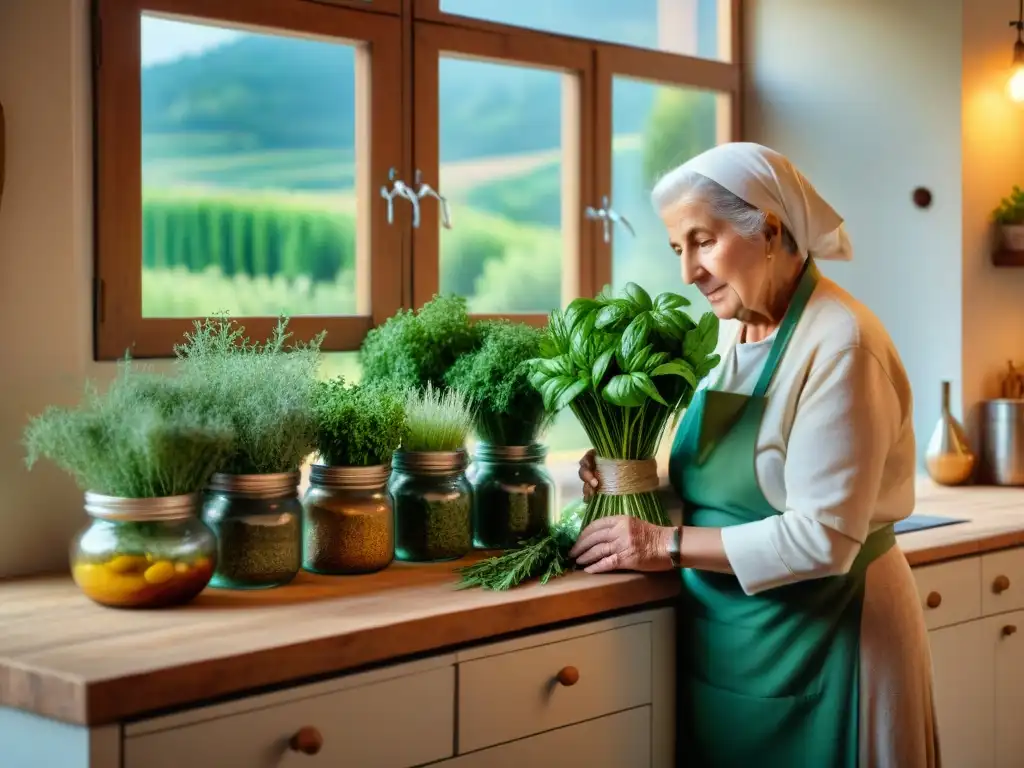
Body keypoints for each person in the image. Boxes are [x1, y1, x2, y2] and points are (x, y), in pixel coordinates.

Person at [570, 142, 939, 767]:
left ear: (768, 230)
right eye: (676, 249)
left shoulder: (841, 345)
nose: (687, 272)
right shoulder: (730, 334)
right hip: (734, 648)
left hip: (834, 640)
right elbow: (726, 492)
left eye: (702, 241)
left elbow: (823, 538)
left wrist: (662, 545)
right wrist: (633, 481)